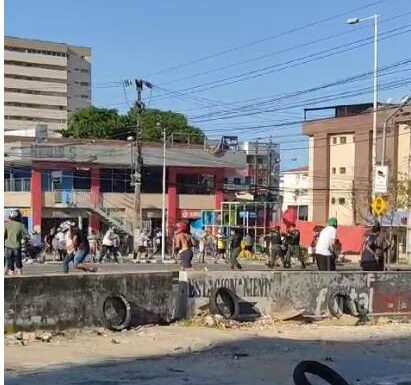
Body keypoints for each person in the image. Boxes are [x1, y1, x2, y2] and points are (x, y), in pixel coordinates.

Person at [4, 209, 26, 276]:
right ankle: (19, 271)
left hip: (8, 245)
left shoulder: (6, 224)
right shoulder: (21, 225)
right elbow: (25, 236)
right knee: (18, 258)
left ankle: (11, 271)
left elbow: (3, 234)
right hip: (17, 245)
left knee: (9, 259)